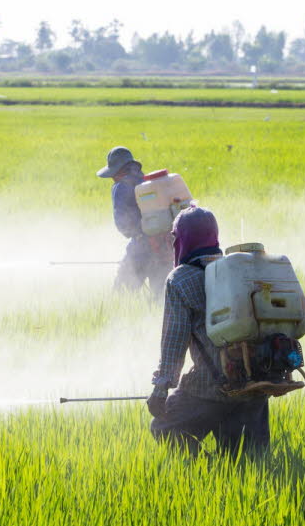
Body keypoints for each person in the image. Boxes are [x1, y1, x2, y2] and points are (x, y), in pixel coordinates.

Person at [147, 207, 270, 456]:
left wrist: (161, 389)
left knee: (163, 427)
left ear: (183, 239)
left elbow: (174, 343)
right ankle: (221, 477)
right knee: (249, 467)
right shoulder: (240, 270)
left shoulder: (180, 279)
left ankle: (209, 468)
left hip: (209, 388)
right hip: (256, 384)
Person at [97, 146, 173, 295]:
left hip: (141, 247)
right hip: (164, 245)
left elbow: (123, 224)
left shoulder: (120, 187)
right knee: (160, 298)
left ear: (118, 171)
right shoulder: (146, 182)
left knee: (121, 295)